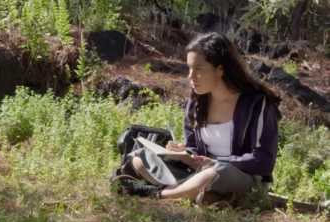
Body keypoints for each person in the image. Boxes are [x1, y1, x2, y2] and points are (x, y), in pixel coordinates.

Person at [116, 32, 282, 204]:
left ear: (220, 69)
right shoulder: (196, 103)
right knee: (140, 156)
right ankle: (202, 195)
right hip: (199, 173)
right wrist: (183, 153)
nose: (190, 76)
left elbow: (263, 161)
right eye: (189, 68)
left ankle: (155, 193)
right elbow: (195, 151)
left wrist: (215, 162)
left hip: (240, 176)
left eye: (199, 69)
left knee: (216, 173)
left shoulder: (256, 104)